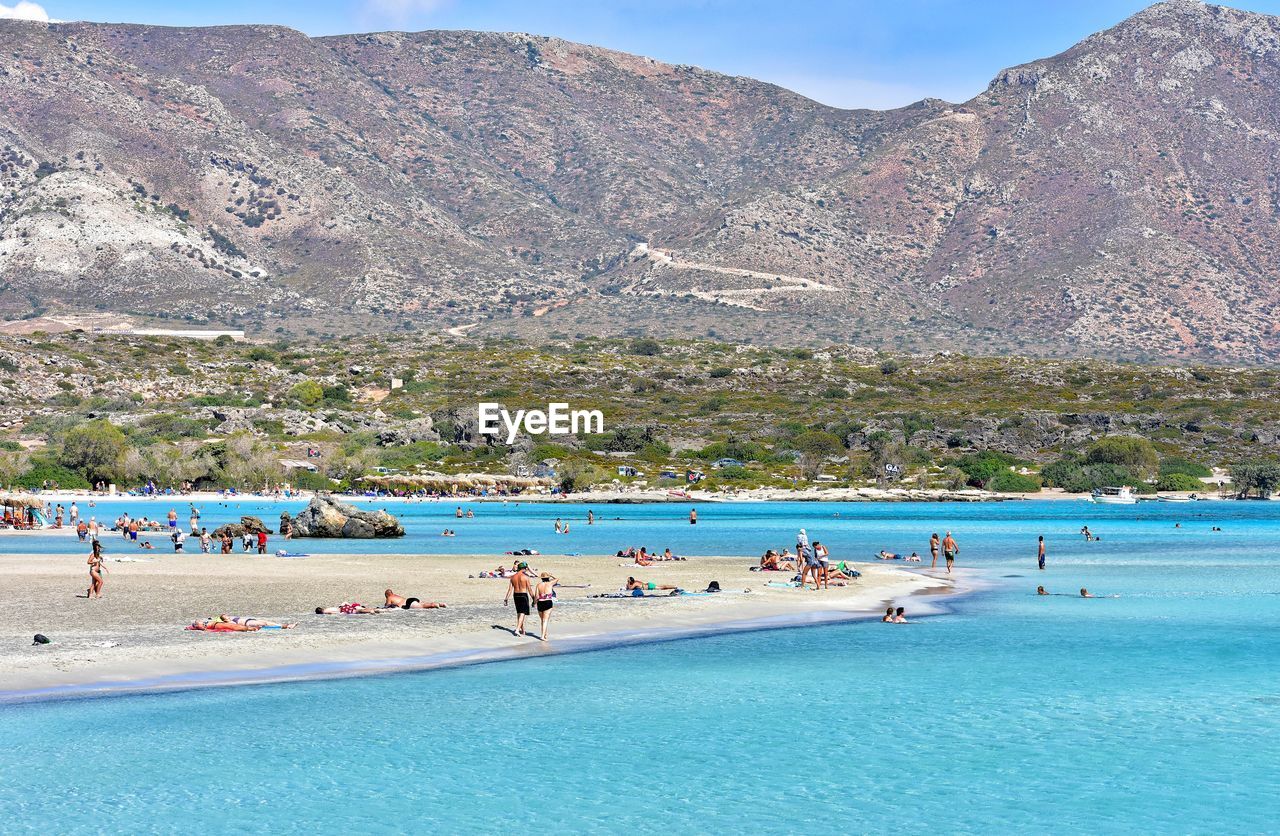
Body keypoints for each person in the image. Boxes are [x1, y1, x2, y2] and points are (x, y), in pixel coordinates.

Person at [504, 561, 535, 636]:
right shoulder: (525, 577)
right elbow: (530, 589)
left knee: (519, 613)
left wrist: (506, 599)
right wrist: (534, 598)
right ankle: (517, 629)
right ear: (524, 568)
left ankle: (522, 630)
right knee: (522, 613)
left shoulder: (513, 577)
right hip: (523, 595)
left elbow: (509, 589)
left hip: (515, 595)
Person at [535, 572, 556, 641]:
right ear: (548, 578)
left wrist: (534, 603)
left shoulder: (538, 585)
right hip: (548, 602)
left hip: (540, 602)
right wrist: (551, 575)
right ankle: (542, 636)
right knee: (545, 620)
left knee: (542, 620)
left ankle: (544, 634)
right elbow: (557, 579)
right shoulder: (550, 583)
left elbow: (536, 596)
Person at [315, 602, 381, 614]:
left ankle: (370, 611)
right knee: (358, 610)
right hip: (343, 608)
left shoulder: (325, 612)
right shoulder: (326, 608)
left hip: (342, 610)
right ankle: (373, 609)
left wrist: (341, 614)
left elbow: (333, 613)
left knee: (358, 611)